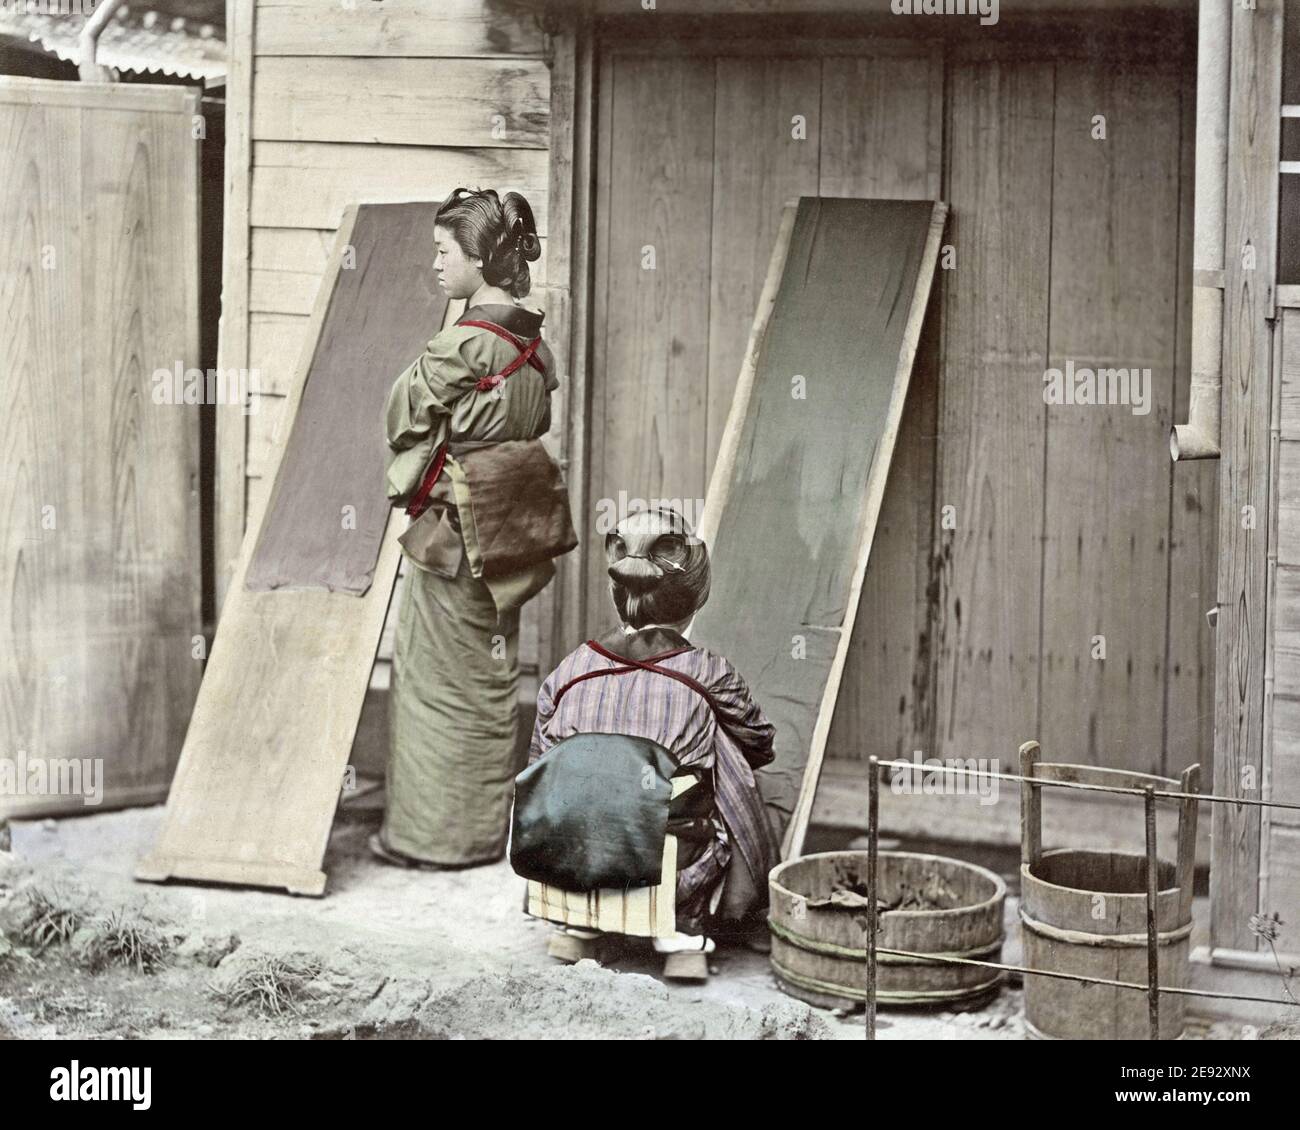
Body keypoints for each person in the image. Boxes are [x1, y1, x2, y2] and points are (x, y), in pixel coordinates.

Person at [374, 186, 574, 869]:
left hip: (455, 530)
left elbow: (402, 415)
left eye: (444, 252)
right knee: (490, 677)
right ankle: (488, 831)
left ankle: (436, 840)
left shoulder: (462, 345)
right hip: (508, 530)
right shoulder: (532, 343)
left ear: (480, 261)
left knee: (436, 680)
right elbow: (538, 424)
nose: (435, 264)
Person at [526, 506, 778, 979]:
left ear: (617, 593)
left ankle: (575, 924)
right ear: (694, 600)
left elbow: (539, 756)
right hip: (667, 847)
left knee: (575, 766)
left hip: (570, 844)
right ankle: (682, 937)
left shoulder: (572, 667)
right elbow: (760, 742)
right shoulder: (707, 671)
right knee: (722, 748)